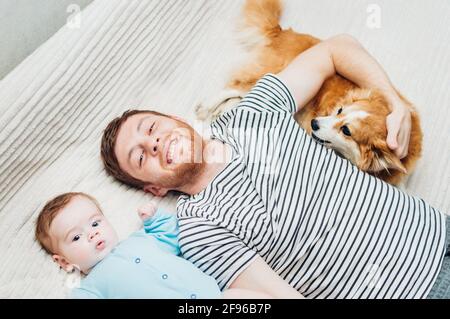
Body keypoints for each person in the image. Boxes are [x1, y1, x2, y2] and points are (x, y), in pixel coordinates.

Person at [100, 34, 448, 298]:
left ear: (176, 119)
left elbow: (335, 50)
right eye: (141, 156)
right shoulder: (197, 228)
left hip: (438, 232)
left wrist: (395, 103)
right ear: (154, 189)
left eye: (151, 128)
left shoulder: (251, 115)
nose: (154, 142)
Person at [35, 192, 271, 298]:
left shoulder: (141, 240)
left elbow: (172, 234)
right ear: (64, 262)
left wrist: (154, 220)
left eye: (95, 222)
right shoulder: (91, 287)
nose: (92, 233)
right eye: (76, 237)